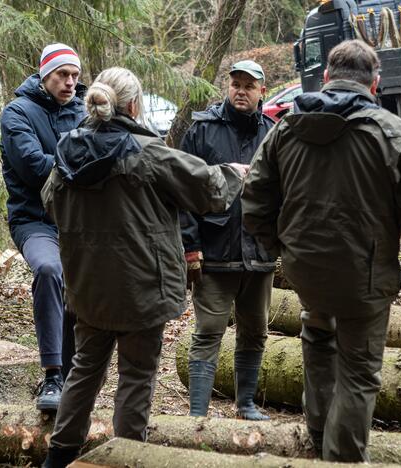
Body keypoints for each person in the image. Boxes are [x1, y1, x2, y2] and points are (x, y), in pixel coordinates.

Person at [242, 40, 401, 462]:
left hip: (306, 272)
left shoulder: (286, 129)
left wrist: (281, 249)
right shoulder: (389, 132)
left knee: (317, 342)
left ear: (328, 78)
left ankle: (318, 436)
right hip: (364, 277)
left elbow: (254, 198)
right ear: (375, 84)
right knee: (358, 371)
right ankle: (342, 457)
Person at [40, 67, 248, 468]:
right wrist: (235, 175)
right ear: (134, 105)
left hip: (89, 288)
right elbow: (210, 190)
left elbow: (51, 204)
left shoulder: (67, 151)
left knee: (84, 369)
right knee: (136, 376)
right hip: (143, 289)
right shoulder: (147, 153)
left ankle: (59, 456)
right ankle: (127, 457)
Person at [180, 60, 276, 420]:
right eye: (235, 84)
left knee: (255, 332)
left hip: (259, 253)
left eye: (249, 86)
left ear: (262, 92)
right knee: (208, 333)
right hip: (214, 254)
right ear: (227, 86)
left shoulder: (273, 132)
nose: (241, 90)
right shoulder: (202, 131)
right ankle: (197, 415)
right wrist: (191, 248)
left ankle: (246, 404)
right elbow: (184, 193)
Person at [0, 43, 84, 411]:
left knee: (80, 290)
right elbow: (34, 167)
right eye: (62, 75)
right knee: (50, 270)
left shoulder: (85, 111)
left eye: (75, 76)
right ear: (44, 74)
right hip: (33, 220)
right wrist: (83, 163)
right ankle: (52, 376)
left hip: (79, 223)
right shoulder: (17, 112)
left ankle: (71, 376)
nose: (69, 82)